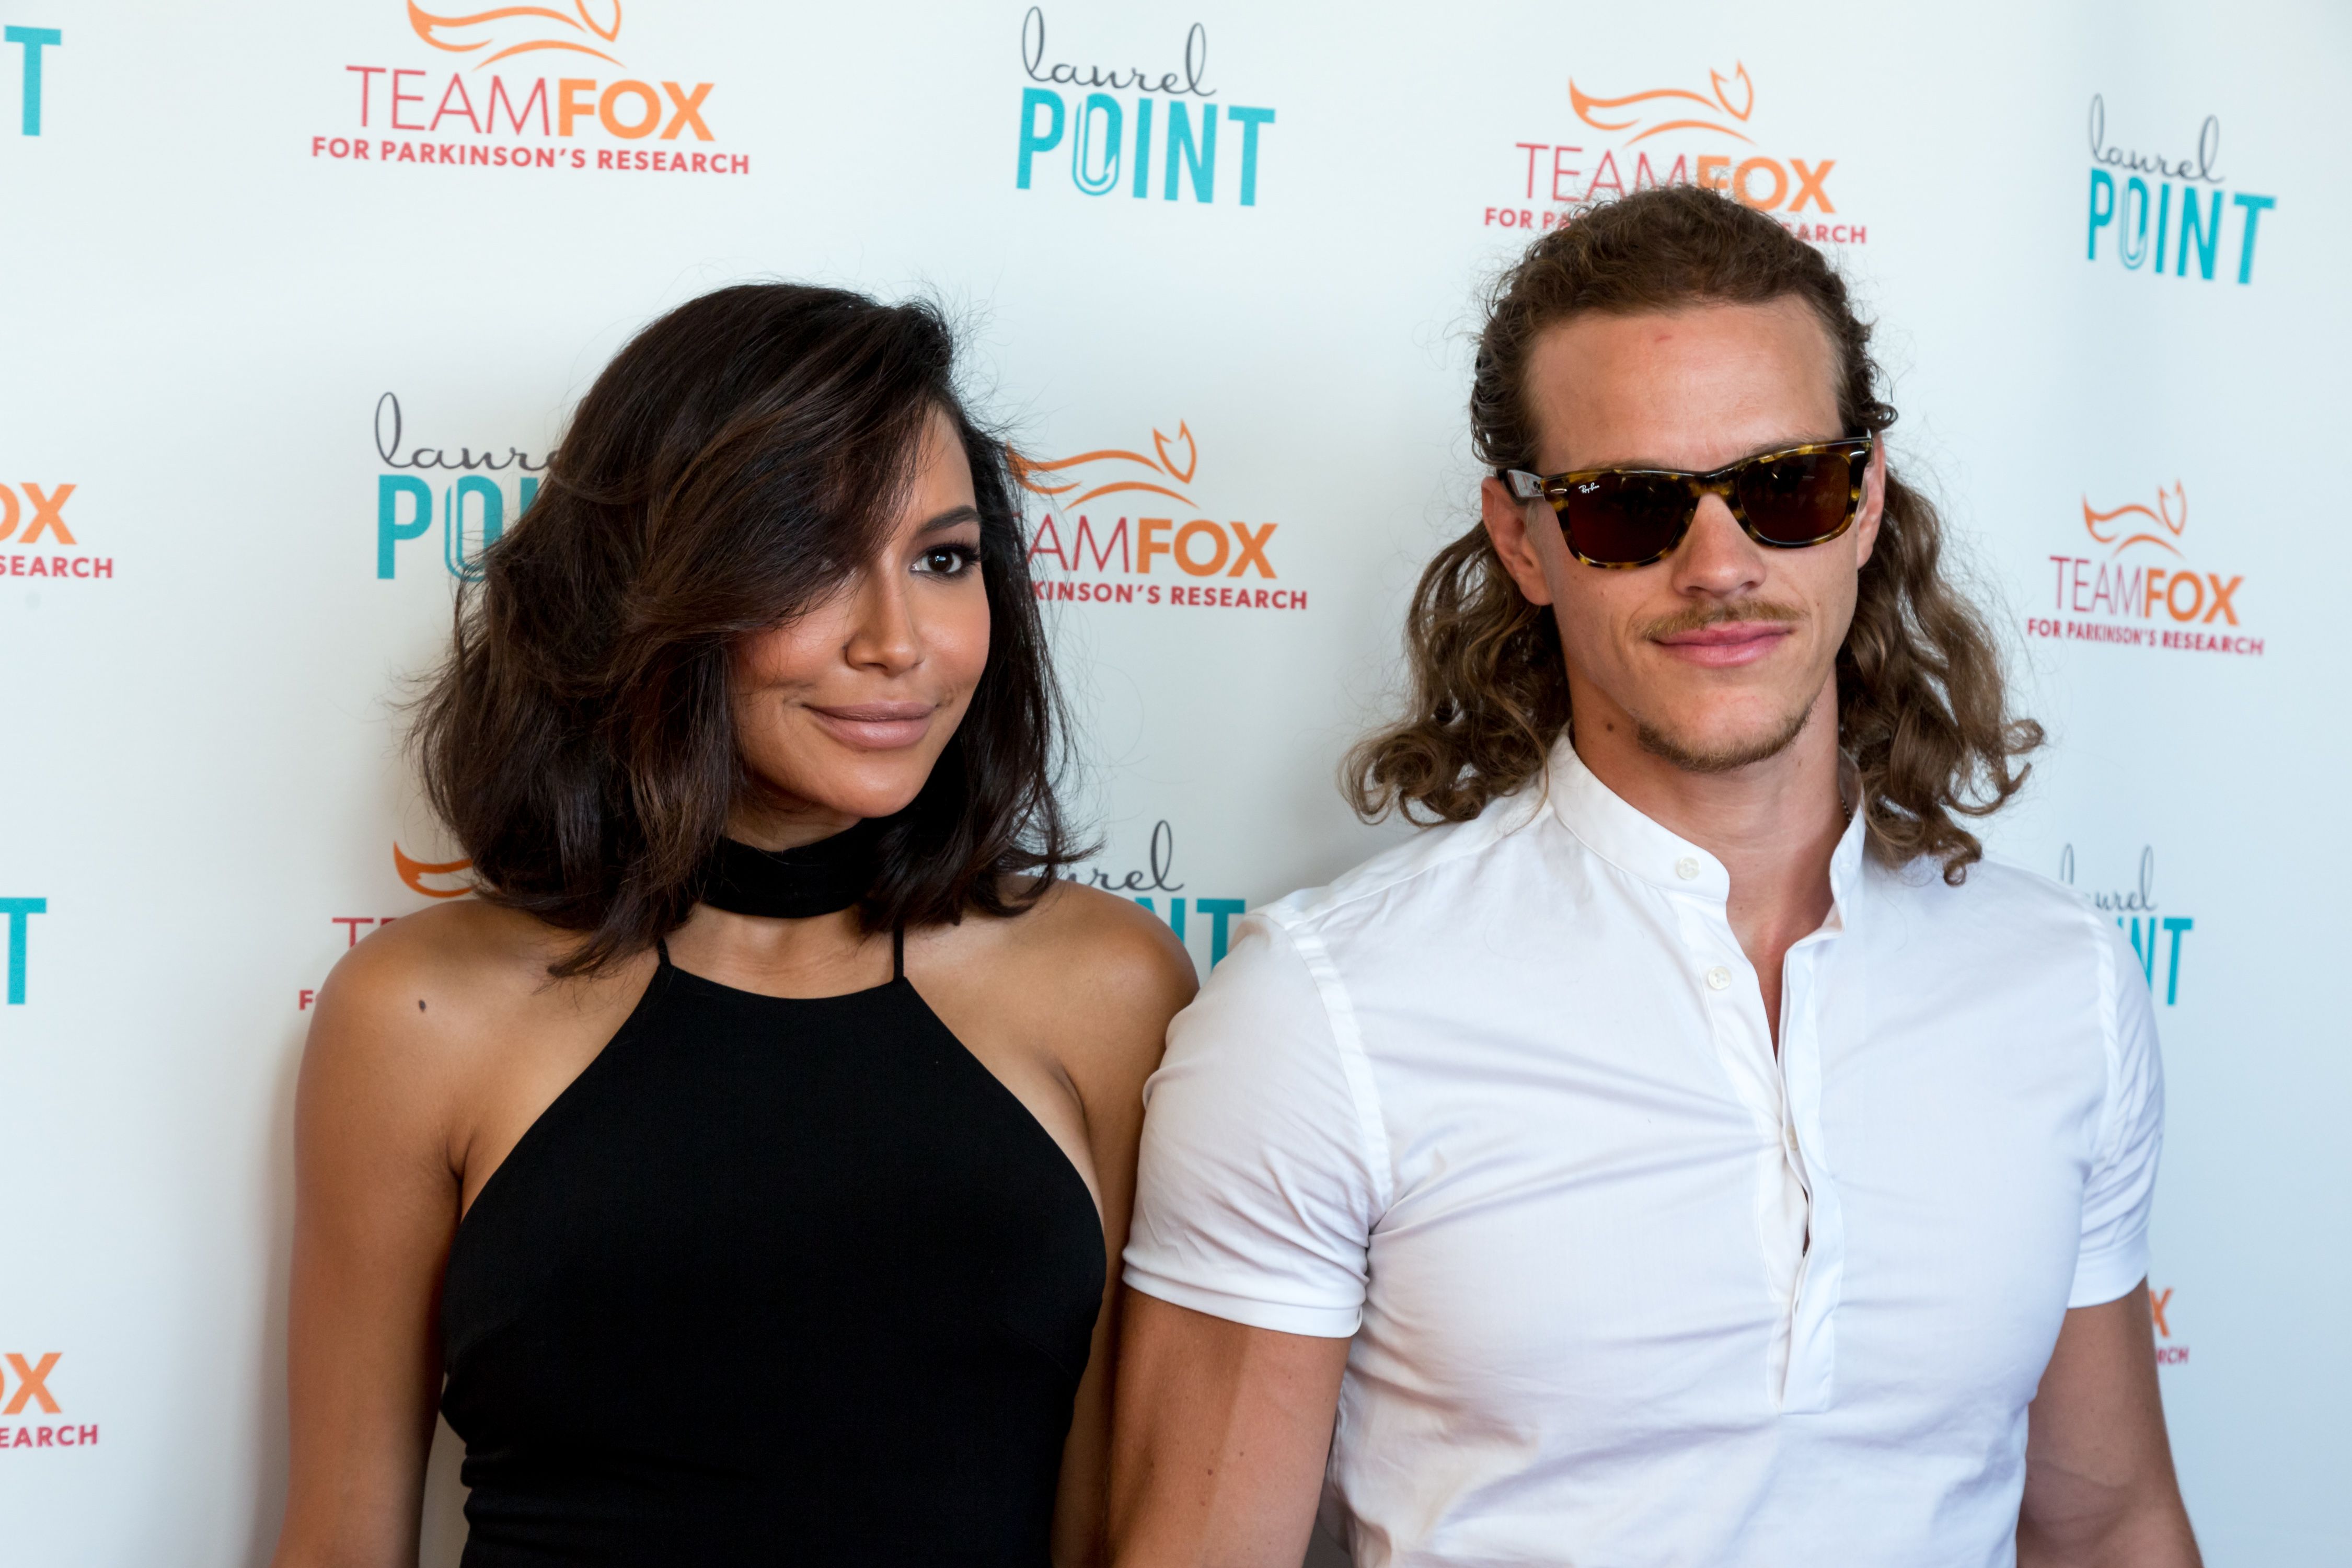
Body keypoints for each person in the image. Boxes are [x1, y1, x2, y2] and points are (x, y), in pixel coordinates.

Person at [1109, 187, 2199, 1567]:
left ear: (1864, 503)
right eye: (1627, 511)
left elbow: (2106, 1526)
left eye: (1784, 486)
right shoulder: (1323, 1015)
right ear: (1523, 545)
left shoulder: (2061, 988)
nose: (1719, 564)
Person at [271, 284, 1194, 1568]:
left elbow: (1119, 1526)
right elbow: (340, 1540)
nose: (900, 641)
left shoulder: (1107, 987)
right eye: (812, 561)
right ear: (650, 587)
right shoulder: (419, 1012)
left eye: (943, 558)